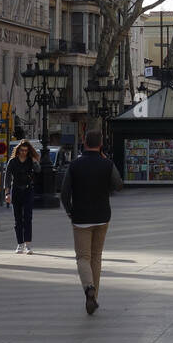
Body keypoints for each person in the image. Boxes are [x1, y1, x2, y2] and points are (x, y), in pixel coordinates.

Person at [60, 129, 124, 314]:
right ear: (100, 144)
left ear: (84, 141)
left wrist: (70, 212)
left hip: (81, 218)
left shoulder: (74, 165)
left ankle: (89, 288)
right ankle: (94, 298)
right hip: (102, 216)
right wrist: (106, 162)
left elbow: (64, 194)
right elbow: (118, 185)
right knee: (96, 256)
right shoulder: (107, 164)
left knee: (83, 257)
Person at [5, 140, 40, 254]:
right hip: (16, 190)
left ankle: (28, 245)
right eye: (22, 150)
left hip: (28, 190)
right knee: (18, 219)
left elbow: (38, 170)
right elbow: (7, 178)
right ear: (18, 150)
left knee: (28, 218)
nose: (24, 152)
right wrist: (7, 193)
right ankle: (20, 244)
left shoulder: (30, 161)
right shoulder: (12, 162)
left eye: (26, 150)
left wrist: (35, 162)